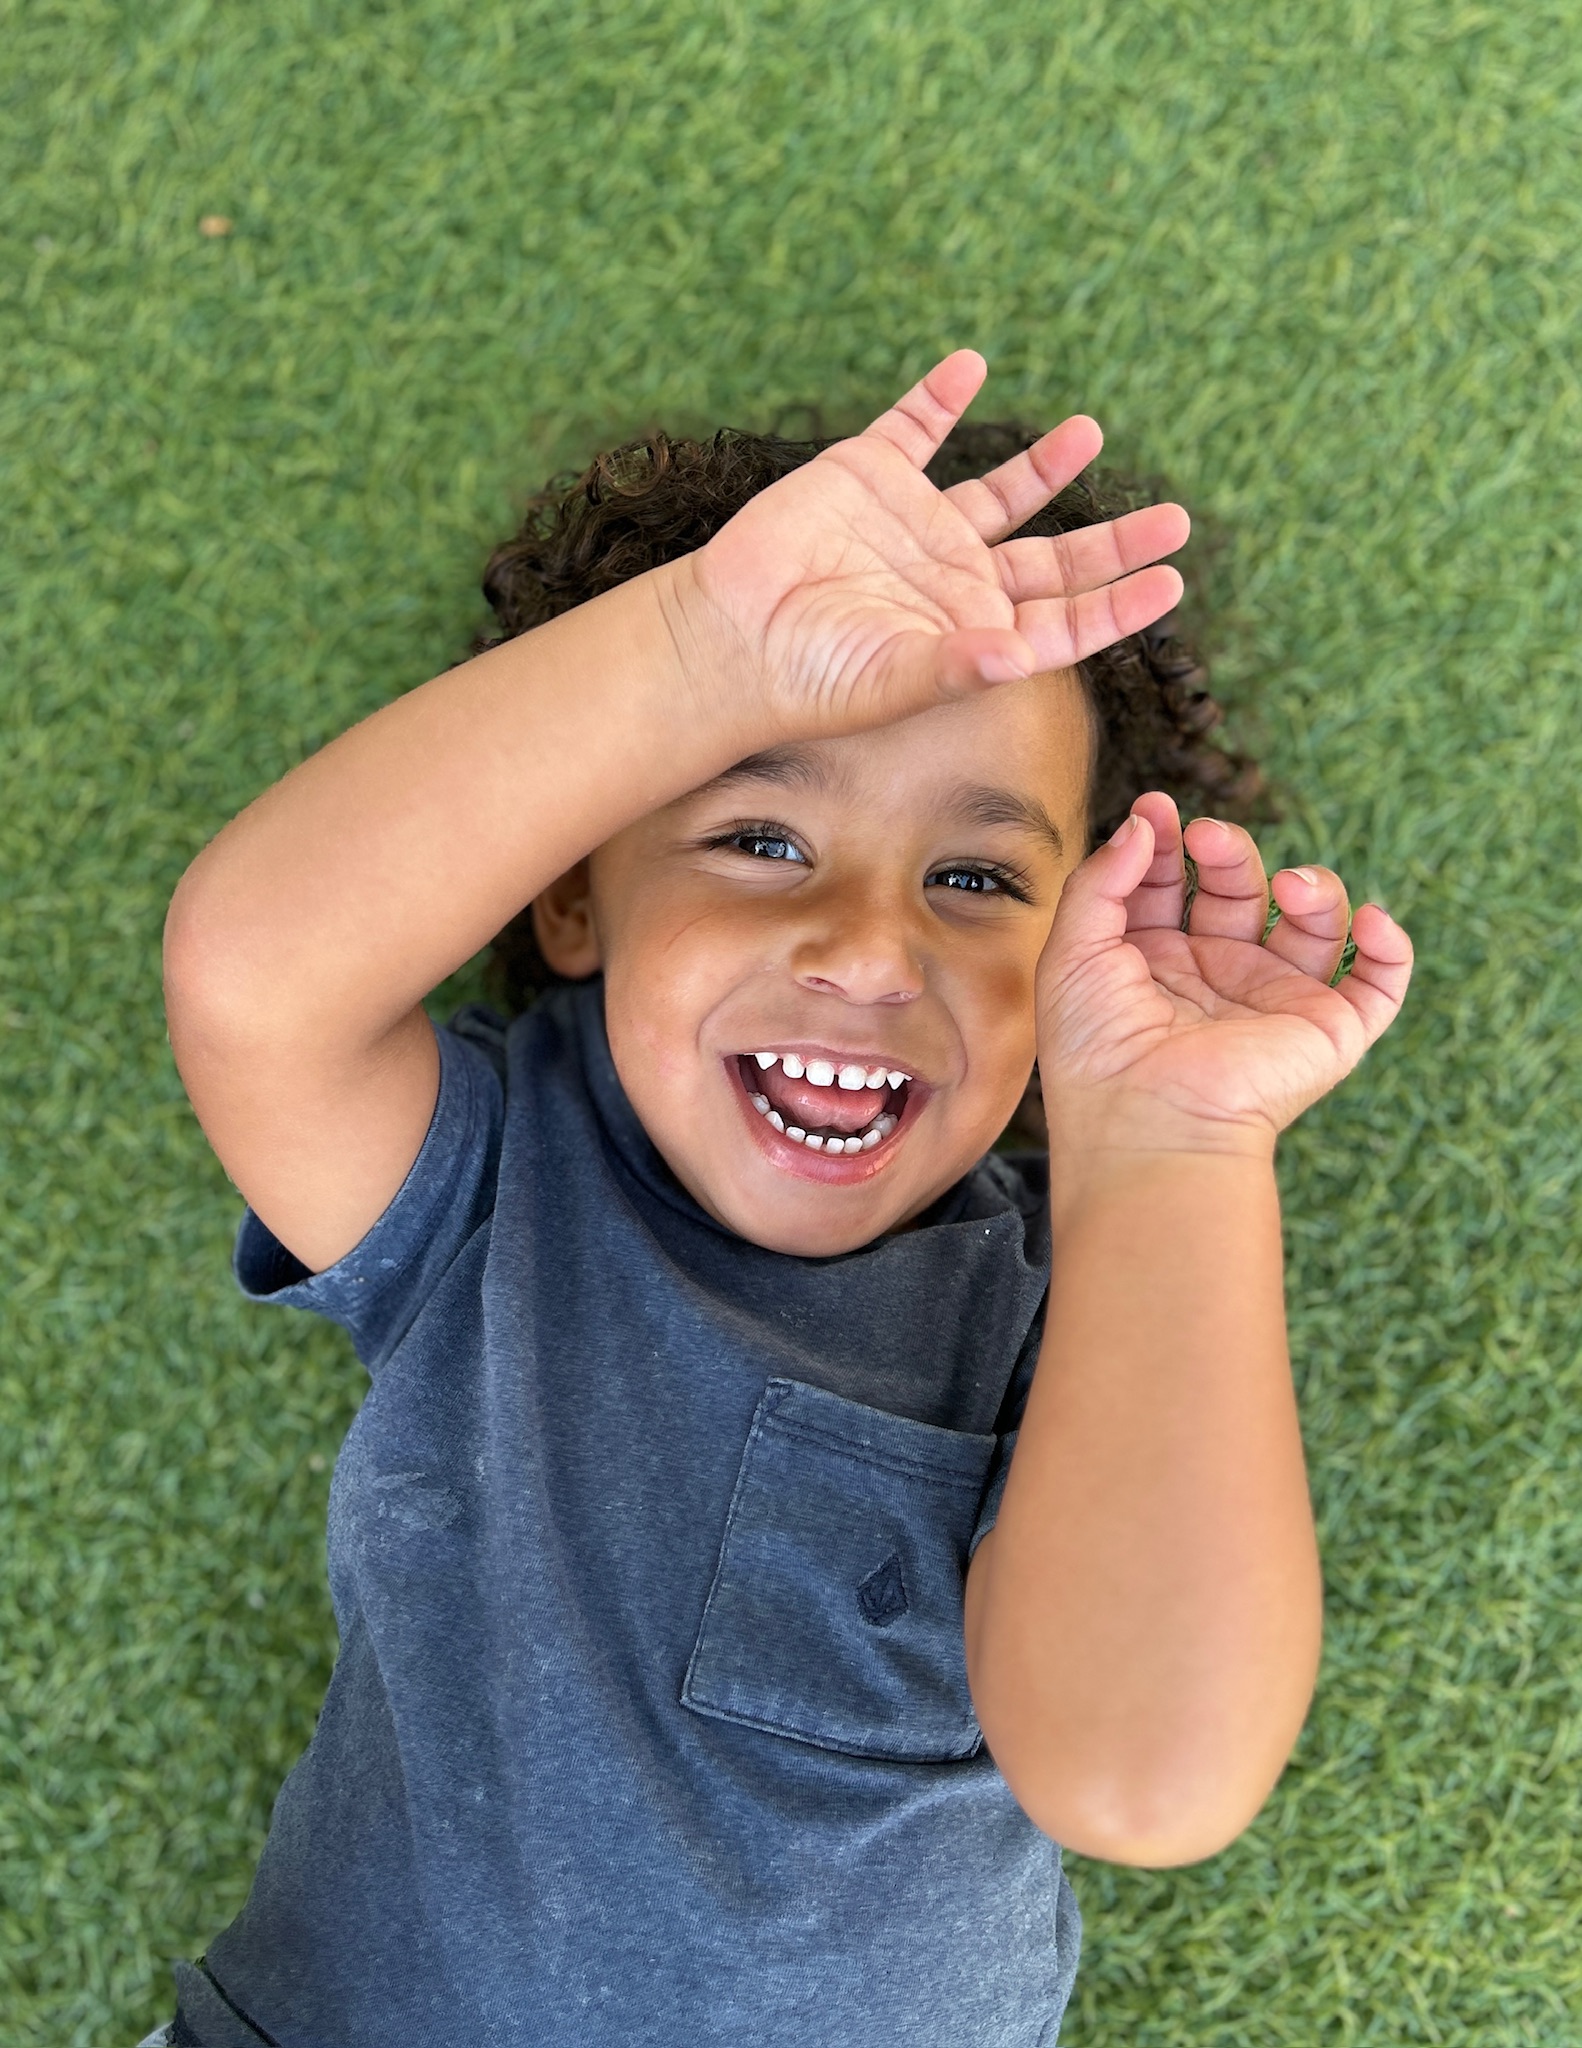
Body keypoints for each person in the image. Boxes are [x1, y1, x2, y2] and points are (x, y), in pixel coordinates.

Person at [149, 349, 1412, 2047]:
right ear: (573, 901)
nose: (873, 949)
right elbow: (255, 979)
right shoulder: (498, 1189)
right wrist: (701, 654)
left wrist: (1170, 1148)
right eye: (758, 836)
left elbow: (1144, 1780)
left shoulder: (1092, 1319)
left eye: (976, 879)